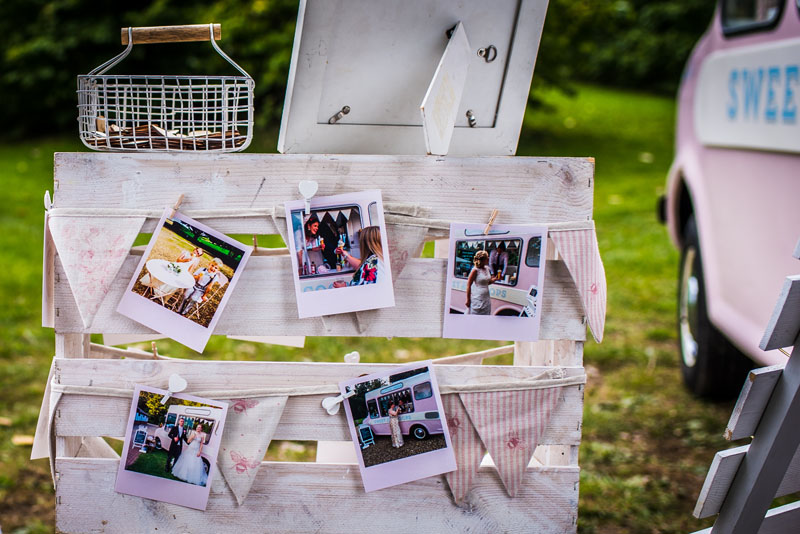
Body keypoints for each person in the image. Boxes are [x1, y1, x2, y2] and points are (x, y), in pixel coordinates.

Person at [466, 250, 492, 315]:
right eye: (487, 258)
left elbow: (487, 282)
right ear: (482, 260)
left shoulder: (487, 268)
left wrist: (495, 279)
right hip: (478, 297)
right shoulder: (475, 270)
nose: (488, 259)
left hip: (486, 297)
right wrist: (468, 299)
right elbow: (468, 285)